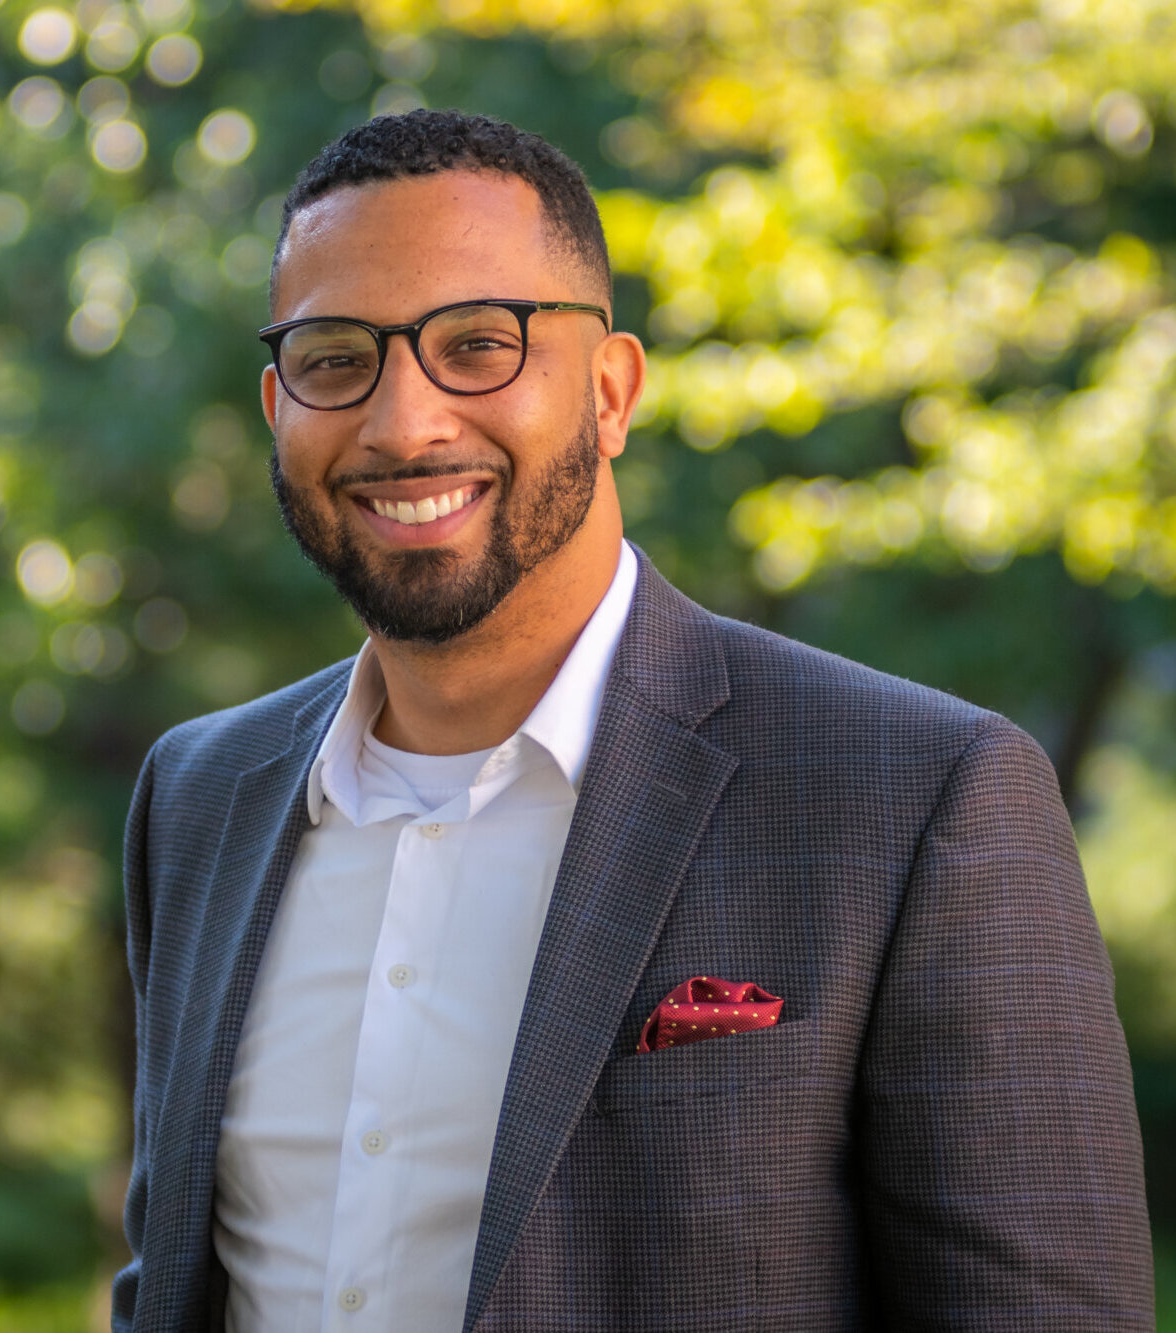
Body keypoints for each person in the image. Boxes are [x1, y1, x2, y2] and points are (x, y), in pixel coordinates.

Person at [112, 109, 1153, 1332]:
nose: (404, 422)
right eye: (337, 357)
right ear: (278, 405)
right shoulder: (199, 795)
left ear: (610, 392)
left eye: (478, 345)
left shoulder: (922, 797)